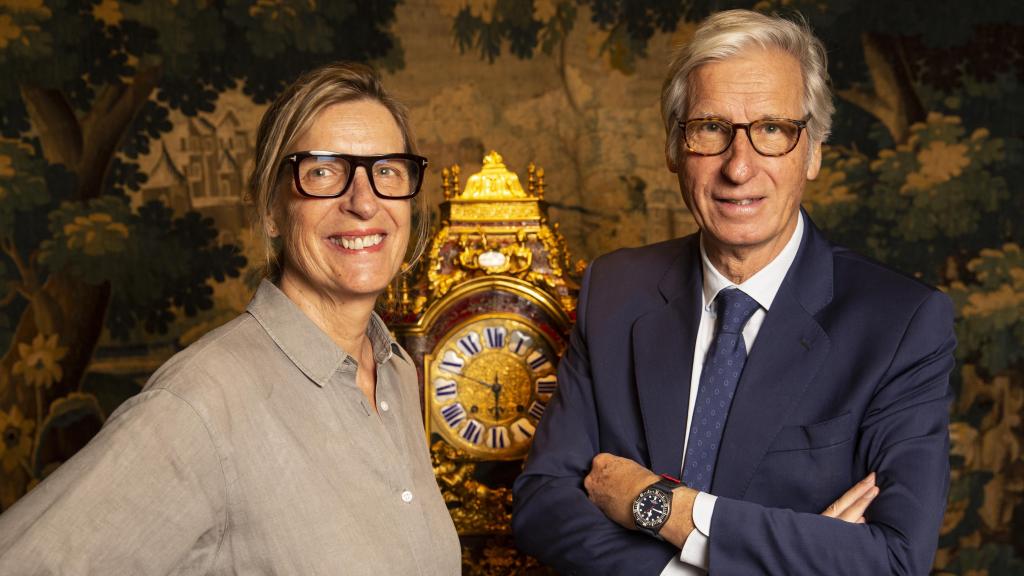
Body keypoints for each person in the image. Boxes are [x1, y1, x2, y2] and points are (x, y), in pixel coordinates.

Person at [512, 9, 954, 576]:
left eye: (773, 129)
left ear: (813, 151)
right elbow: (544, 503)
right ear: (675, 148)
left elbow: (892, 559)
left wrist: (663, 508)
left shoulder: (901, 323)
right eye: (711, 129)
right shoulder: (615, 291)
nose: (739, 167)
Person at [0, 62, 461, 575]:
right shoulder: (198, 405)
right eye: (323, 172)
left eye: (387, 170)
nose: (364, 201)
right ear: (270, 208)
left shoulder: (395, 373)